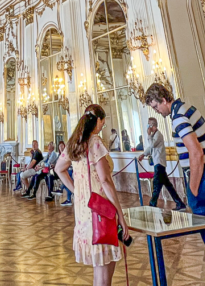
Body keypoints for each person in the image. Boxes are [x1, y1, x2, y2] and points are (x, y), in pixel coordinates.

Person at [145, 83, 205, 286]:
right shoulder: (188, 109)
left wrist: (192, 189)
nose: (157, 111)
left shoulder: (178, 117)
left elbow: (196, 152)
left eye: (155, 106)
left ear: (163, 99)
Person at [55, 105, 127, 285]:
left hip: (84, 210)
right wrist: (121, 214)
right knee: (103, 272)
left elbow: (59, 168)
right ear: (99, 120)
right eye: (103, 122)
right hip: (101, 210)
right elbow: (105, 180)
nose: (103, 126)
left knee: (100, 269)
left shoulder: (75, 142)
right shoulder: (95, 142)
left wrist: (77, 191)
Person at [139, 117, 186, 211]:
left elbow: (152, 145)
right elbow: (151, 148)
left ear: (153, 125)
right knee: (167, 185)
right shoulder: (154, 135)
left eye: (149, 124)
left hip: (159, 163)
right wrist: (143, 154)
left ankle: (152, 204)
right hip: (158, 163)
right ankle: (179, 203)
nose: (148, 126)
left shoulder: (158, 135)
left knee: (156, 185)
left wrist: (148, 135)